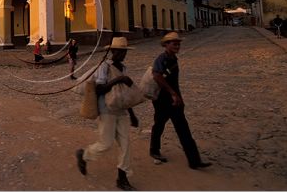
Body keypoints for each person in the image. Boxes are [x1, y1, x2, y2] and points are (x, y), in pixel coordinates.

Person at [76, 37, 139, 191]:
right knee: (106, 144)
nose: (122, 54)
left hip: (121, 110)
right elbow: (99, 89)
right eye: (119, 51)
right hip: (107, 110)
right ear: (112, 51)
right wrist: (119, 79)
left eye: (124, 52)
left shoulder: (123, 68)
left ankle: (122, 178)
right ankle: (84, 155)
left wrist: (132, 114)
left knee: (126, 145)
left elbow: (124, 95)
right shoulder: (104, 67)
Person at [149, 32, 212, 170]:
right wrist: (172, 93)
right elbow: (157, 76)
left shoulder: (173, 59)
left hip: (174, 100)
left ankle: (194, 160)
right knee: (159, 124)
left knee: (183, 129)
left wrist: (177, 96)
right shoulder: (162, 59)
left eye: (178, 43)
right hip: (162, 100)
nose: (177, 45)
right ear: (166, 45)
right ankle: (154, 150)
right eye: (174, 43)